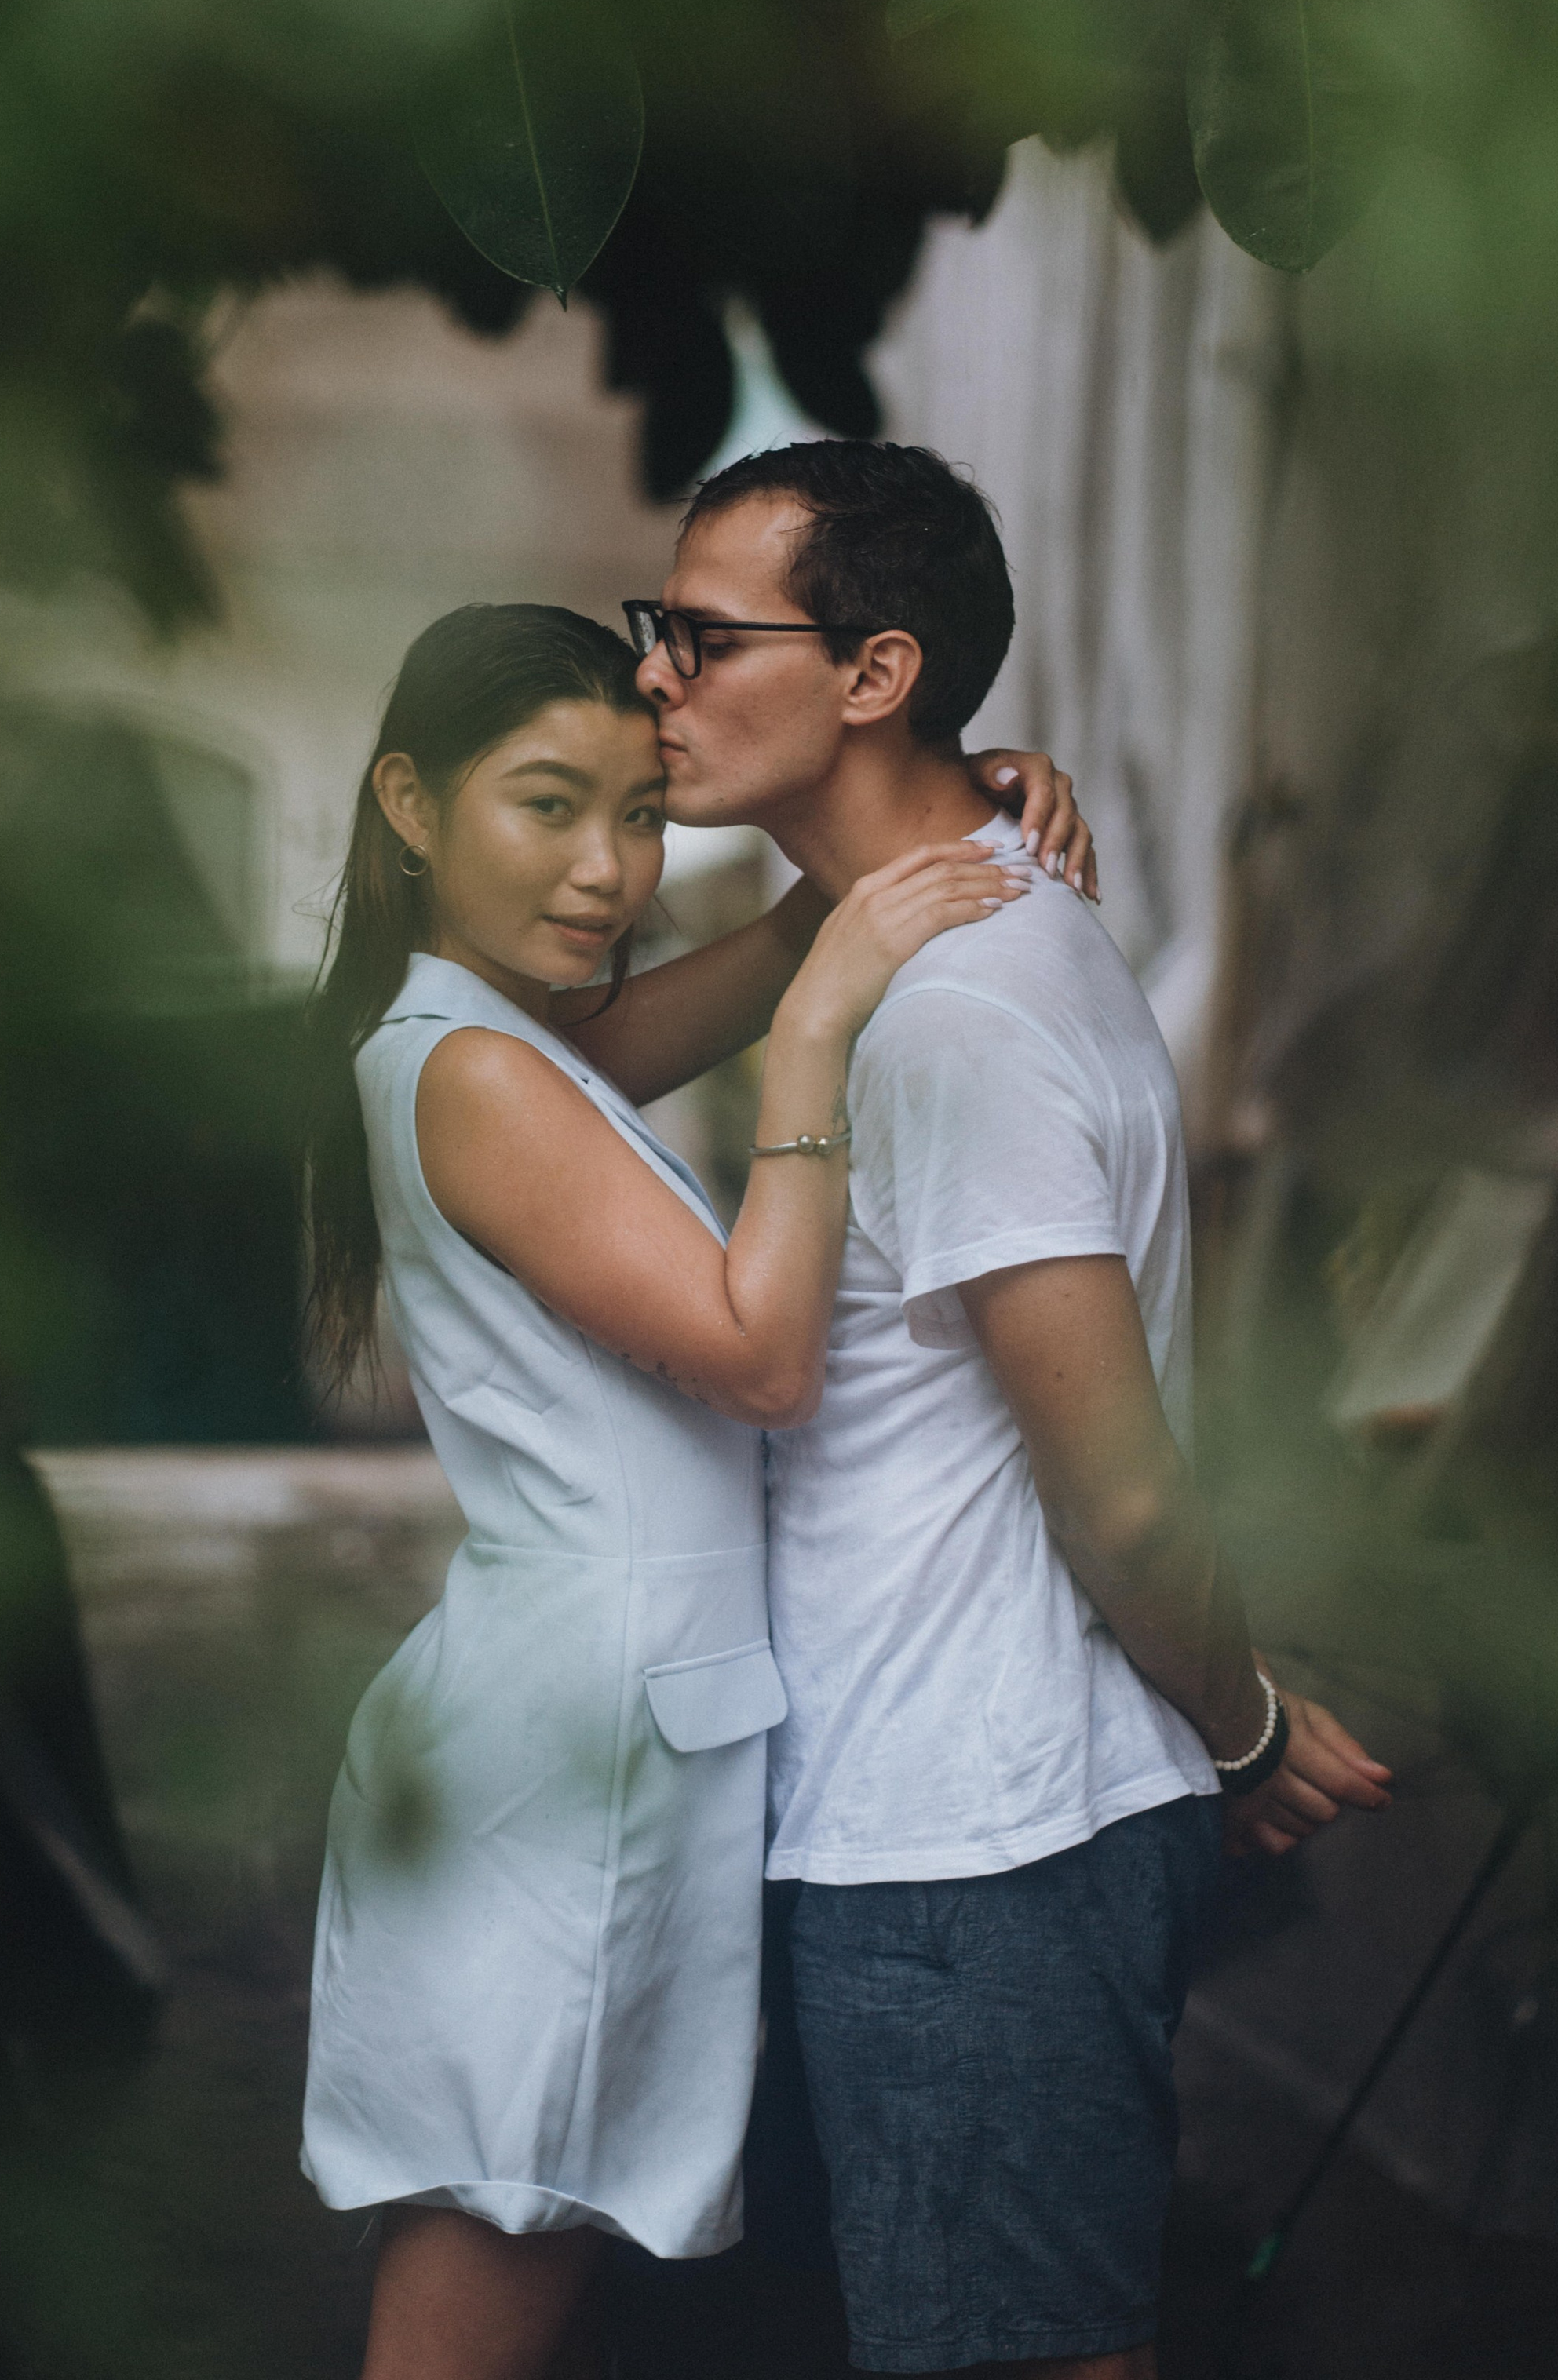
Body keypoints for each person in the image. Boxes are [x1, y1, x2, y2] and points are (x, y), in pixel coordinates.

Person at [594, 440, 1393, 2380]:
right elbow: (519, 1077)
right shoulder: (944, 935)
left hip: (972, 1844)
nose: (654, 683)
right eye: (654, 634)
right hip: (929, 1823)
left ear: (874, 674)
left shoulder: (954, 1013)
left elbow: (1113, 1490)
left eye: (701, 638)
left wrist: (1243, 1725)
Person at [295, 600, 1084, 2380]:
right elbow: (762, 1359)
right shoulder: (481, 1071)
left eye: (640, 815)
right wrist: (812, 1043)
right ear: (408, 804)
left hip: (599, 1720)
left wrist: (951, 798)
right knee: (491, 2249)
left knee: (527, 2237)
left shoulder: (503, 1039)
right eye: (546, 807)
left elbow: (785, 930)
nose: (606, 870)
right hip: (570, 1746)